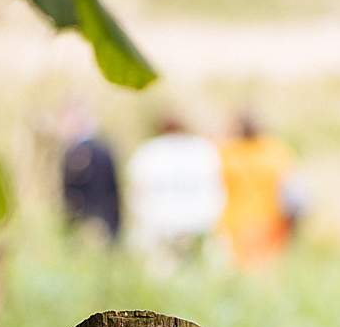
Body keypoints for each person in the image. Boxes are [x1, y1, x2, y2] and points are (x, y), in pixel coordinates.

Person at [125, 116, 224, 266]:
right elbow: (217, 187)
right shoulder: (202, 149)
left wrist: (144, 217)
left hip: (161, 225)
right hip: (198, 222)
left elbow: (136, 191)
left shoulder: (150, 151)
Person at [218, 113, 298, 268]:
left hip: (236, 220)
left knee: (240, 268)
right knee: (267, 268)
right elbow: (289, 182)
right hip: (271, 218)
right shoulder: (274, 149)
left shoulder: (228, 152)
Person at [57, 103, 120, 241]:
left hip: (84, 221)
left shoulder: (73, 153)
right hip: (105, 219)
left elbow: (70, 193)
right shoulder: (105, 149)